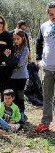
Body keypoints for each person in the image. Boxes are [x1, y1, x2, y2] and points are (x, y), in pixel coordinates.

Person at [35, 1, 55, 132]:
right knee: (47, 97)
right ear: (48, 14)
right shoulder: (44, 26)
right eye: (52, 14)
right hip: (47, 68)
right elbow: (38, 42)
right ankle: (45, 122)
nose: (54, 16)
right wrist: (38, 59)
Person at [8, 29, 29, 123]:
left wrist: (11, 59)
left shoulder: (25, 49)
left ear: (22, 38)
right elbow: (8, 61)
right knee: (13, 96)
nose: (16, 41)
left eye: (18, 39)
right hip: (12, 76)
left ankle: (21, 113)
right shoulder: (13, 48)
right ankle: (14, 114)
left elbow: (20, 63)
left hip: (21, 76)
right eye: (14, 39)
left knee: (20, 95)